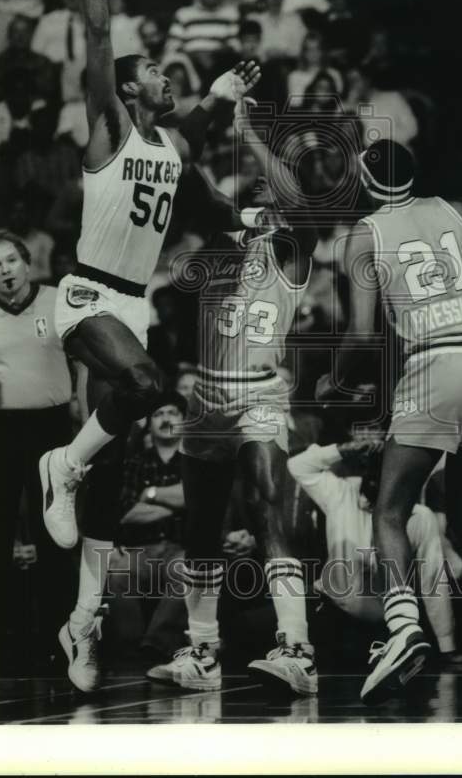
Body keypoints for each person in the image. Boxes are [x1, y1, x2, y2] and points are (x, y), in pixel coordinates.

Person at [37, 0, 262, 694]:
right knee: (142, 383)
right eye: (159, 73)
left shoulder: (173, 147)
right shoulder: (108, 124)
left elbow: (199, 165)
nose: (170, 78)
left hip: (135, 300)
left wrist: (245, 219)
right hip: (88, 293)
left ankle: (82, 620)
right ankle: (59, 463)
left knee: (110, 480)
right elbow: (100, 25)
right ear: (130, 87)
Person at [147, 105, 320, 697]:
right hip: (208, 398)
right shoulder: (222, 241)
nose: (269, 197)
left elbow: (298, 203)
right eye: (262, 193)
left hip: (260, 395)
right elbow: (197, 189)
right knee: (201, 525)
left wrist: (249, 133)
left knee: (268, 508)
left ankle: (298, 649)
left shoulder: (293, 248)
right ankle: (202, 652)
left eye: (274, 192)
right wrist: (192, 123)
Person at [316, 139, 462, 704]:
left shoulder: (365, 233)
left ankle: (402, 628)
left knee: (390, 509)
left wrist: (335, 382)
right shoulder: (450, 210)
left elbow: (364, 333)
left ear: (365, 183)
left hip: (435, 362)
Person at [288, 435, 458, 658]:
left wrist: (447, 649)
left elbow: (433, 582)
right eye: (372, 468)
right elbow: (297, 466)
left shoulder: (419, 517)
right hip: (331, 612)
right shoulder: (342, 492)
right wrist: (343, 448)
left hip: (384, 624)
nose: (375, 479)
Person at [0, 230, 75, 673]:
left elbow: (81, 356)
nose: (3, 270)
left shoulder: (57, 298)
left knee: (53, 534)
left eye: (9, 261)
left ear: (27, 264)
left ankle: (57, 640)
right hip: (1, 429)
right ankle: (5, 643)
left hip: (53, 426)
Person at [106, 392, 189, 662]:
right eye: (158, 414)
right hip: (139, 549)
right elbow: (127, 513)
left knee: (188, 570)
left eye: (173, 413)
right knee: (118, 573)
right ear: (149, 424)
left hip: (181, 548)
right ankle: (130, 649)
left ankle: (156, 646)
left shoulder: (196, 464)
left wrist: (150, 494)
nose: (166, 419)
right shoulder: (134, 463)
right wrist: (176, 504)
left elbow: (196, 500)